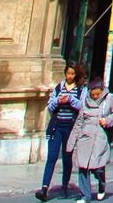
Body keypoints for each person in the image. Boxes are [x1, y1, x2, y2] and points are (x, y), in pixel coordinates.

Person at [66, 79, 113, 202]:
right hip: (85, 138)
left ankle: (102, 185)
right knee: (83, 167)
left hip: (100, 138)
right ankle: (85, 195)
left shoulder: (109, 98)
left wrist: (107, 120)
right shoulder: (85, 101)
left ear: (102, 91)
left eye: (97, 94)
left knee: (98, 168)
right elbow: (79, 122)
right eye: (93, 94)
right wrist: (70, 143)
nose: (95, 96)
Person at [35, 63, 84, 201]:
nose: (69, 76)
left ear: (76, 74)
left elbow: (82, 106)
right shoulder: (59, 87)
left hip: (70, 128)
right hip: (57, 127)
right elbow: (50, 106)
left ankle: (64, 187)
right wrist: (58, 100)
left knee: (67, 159)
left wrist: (70, 99)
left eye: (72, 74)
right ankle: (44, 188)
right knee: (51, 157)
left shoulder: (81, 89)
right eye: (68, 73)